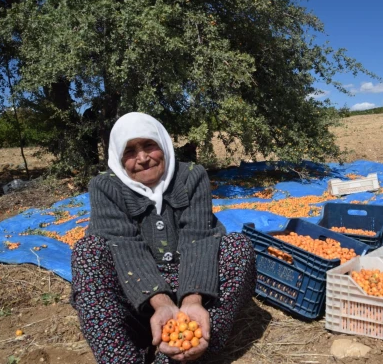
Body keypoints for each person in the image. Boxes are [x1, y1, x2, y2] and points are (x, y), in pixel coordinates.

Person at [70, 112, 257, 364]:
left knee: (238, 246)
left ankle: (194, 351)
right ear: (117, 156)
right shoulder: (106, 187)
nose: (143, 158)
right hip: (134, 299)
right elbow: (125, 245)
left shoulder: (191, 176)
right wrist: (161, 303)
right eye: (130, 151)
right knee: (88, 250)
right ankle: (122, 357)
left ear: (163, 144)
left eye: (149, 145)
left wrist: (192, 301)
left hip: (192, 291)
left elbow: (198, 237)